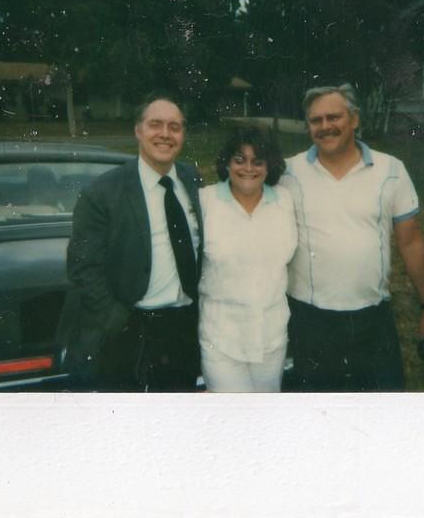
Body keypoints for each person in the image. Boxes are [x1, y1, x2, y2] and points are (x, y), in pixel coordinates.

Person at [280, 83, 424, 392]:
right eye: (316, 120)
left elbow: (411, 242)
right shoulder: (288, 172)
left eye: (333, 117)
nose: (325, 127)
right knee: (315, 419)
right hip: (310, 321)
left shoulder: (391, 170)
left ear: (355, 119)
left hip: (372, 319)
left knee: (381, 417)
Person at [65, 94, 203, 392]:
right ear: (138, 131)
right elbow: (83, 268)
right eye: (155, 125)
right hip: (129, 330)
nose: (165, 134)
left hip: (183, 329)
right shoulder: (104, 192)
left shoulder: (192, 180)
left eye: (174, 127)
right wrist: (117, 320)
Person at [198, 126, 297, 392]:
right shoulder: (206, 201)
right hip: (221, 339)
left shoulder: (285, 201)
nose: (248, 168)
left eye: (258, 161)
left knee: (265, 418)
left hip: (271, 338)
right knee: (233, 421)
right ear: (227, 163)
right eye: (239, 160)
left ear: (269, 165)